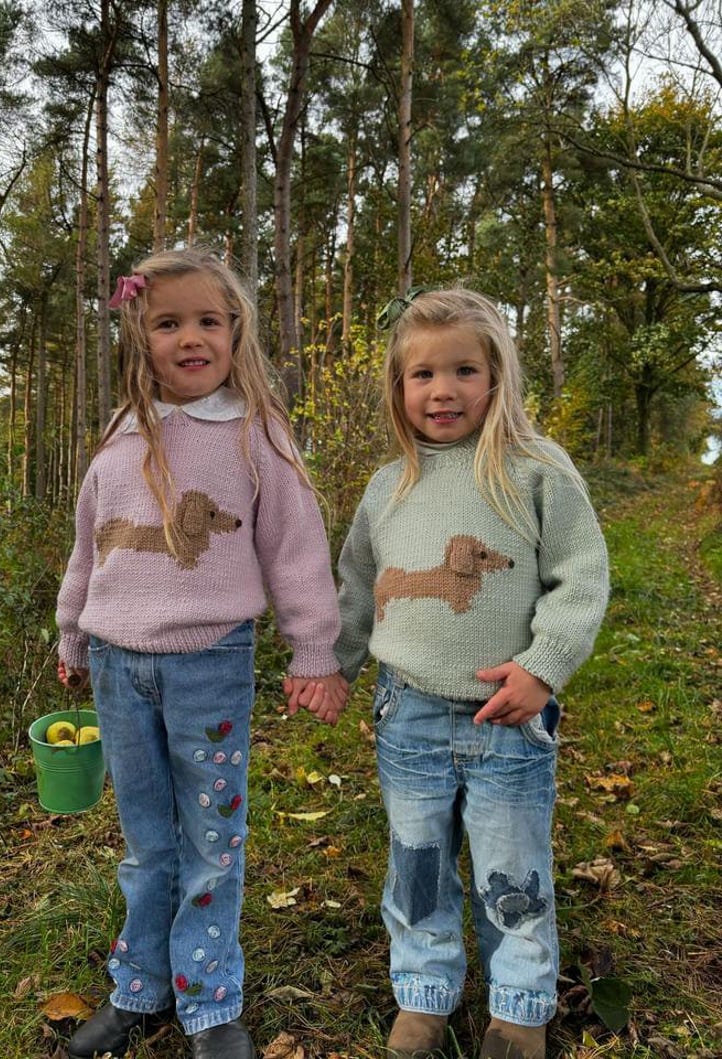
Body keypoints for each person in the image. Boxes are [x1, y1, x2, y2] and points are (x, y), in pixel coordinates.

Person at [291, 285, 609, 1059]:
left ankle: (520, 1004)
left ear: (496, 377)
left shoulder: (533, 468)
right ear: (399, 388)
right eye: (422, 374)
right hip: (409, 714)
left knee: (513, 861)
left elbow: (582, 573)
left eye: (464, 370)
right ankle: (426, 991)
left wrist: (543, 668)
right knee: (418, 855)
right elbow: (359, 585)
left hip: (509, 714)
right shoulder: (388, 483)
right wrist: (331, 662)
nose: (443, 390)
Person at [56, 246, 348, 1059]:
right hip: (118, 665)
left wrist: (313, 650)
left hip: (210, 661)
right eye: (168, 322)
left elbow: (296, 547)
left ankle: (211, 1000)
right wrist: (70, 627)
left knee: (212, 837)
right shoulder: (121, 434)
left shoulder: (256, 433)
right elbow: (91, 543)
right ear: (139, 336)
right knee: (148, 838)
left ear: (235, 332)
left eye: (209, 321)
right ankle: (139, 987)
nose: (191, 336)